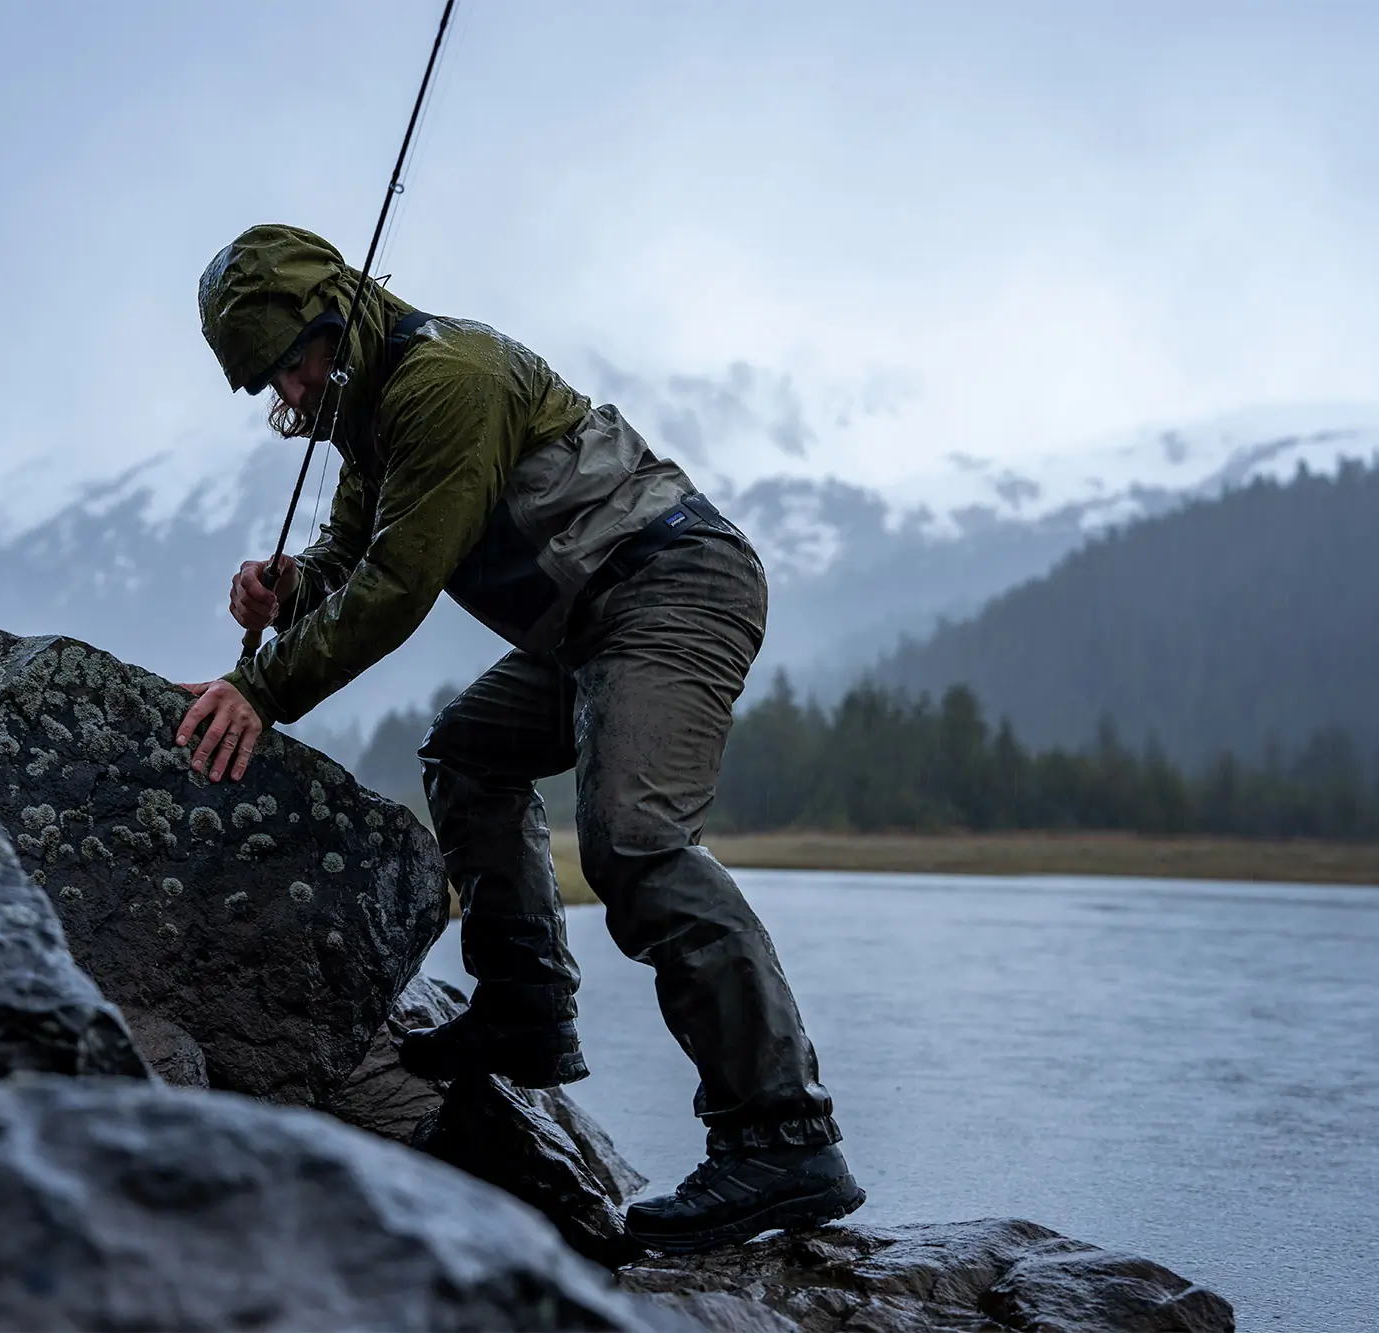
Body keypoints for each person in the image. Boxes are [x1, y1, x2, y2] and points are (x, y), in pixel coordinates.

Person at [178, 223, 864, 1252]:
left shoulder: (444, 382)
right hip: (590, 618)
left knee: (632, 841)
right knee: (467, 752)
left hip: (671, 584)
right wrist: (290, 587)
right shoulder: (371, 411)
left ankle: (782, 1135)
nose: (288, 396)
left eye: (289, 367)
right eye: (270, 384)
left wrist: (258, 687)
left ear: (333, 321)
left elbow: (400, 582)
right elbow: (353, 546)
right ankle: (523, 1007)